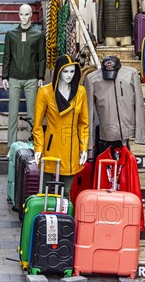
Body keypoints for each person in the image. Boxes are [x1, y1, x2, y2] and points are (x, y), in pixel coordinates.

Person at [32, 55, 89, 198]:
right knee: (44, 190)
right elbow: (37, 125)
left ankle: (63, 218)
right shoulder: (45, 92)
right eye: (65, 71)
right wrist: (38, 147)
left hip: (72, 146)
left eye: (72, 71)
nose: (69, 75)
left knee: (66, 191)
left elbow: (84, 124)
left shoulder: (80, 92)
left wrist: (83, 147)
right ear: (58, 72)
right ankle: (44, 218)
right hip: (52, 145)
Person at [2, 4, 45, 147]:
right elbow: (7, 56)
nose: (24, 17)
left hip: (31, 79)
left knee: (32, 114)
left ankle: (33, 145)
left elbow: (41, 58)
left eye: (27, 14)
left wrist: (41, 77)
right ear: (18, 15)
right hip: (14, 78)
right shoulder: (11, 34)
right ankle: (11, 146)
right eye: (21, 14)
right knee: (12, 114)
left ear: (31, 15)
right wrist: (4, 77)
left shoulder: (38, 35)